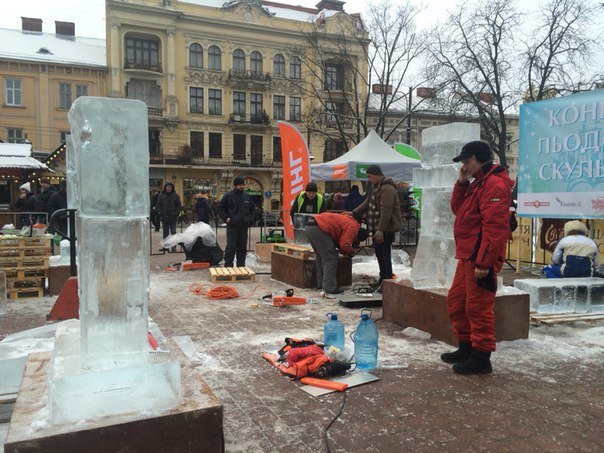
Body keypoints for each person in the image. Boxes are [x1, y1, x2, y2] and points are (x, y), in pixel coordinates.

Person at [441, 141, 514, 375]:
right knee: (457, 302)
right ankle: (467, 347)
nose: (464, 166)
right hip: (468, 255)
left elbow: (495, 229)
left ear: (480, 158)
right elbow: (457, 210)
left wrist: (484, 263)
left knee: (478, 307)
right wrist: (462, 183)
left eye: (467, 161)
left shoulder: (494, 185)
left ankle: (482, 357)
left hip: (480, 257)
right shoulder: (477, 183)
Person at [347, 165, 402, 292]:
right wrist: (354, 213)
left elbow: (386, 211)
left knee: (384, 254)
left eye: (369, 176)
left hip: (385, 229)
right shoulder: (375, 187)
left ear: (377, 175)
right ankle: (383, 279)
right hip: (378, 228)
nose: (368, 179)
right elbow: (368, 202)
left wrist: (381, 230)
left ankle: (387, 281)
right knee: (379, 253)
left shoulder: (387, 189)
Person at [305, 212, 368, 295]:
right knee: (331, 258)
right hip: (320, 227)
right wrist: (350, 251)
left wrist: (342, 249)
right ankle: (329, 287)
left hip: (310, 225)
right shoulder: (353, 228)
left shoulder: (350, 221)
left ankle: (321, 284)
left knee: (321, 256)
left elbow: (337, 238)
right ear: (358, 237)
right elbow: (345, 244)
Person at [218, 177, 254, 267]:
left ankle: (241, 266)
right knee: (231, 247)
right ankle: (228, 266)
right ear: (235, 185)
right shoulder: (228, 195)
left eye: (242, 184)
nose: (241, 186)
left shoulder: (247, 196)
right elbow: (220, 208)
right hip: (232, 226)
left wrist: (250, 219)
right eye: (239, 185)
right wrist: (226, 218)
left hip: (244, 225)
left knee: (242, 247)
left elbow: (253, 209)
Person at [156, 182, 182, 249]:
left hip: (173, 217)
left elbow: (179, 206)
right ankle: (166, 246)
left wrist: (176, 213)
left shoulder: (176, 196)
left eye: (170, 187)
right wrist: (160, 213)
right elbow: (158, 205)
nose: (169, 188)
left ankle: (173, 247)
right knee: (165, 233)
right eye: (168, 187)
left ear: (172, 188)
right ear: (165, 188)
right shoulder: (161, 195)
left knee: (173, 232)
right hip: (164, 216)